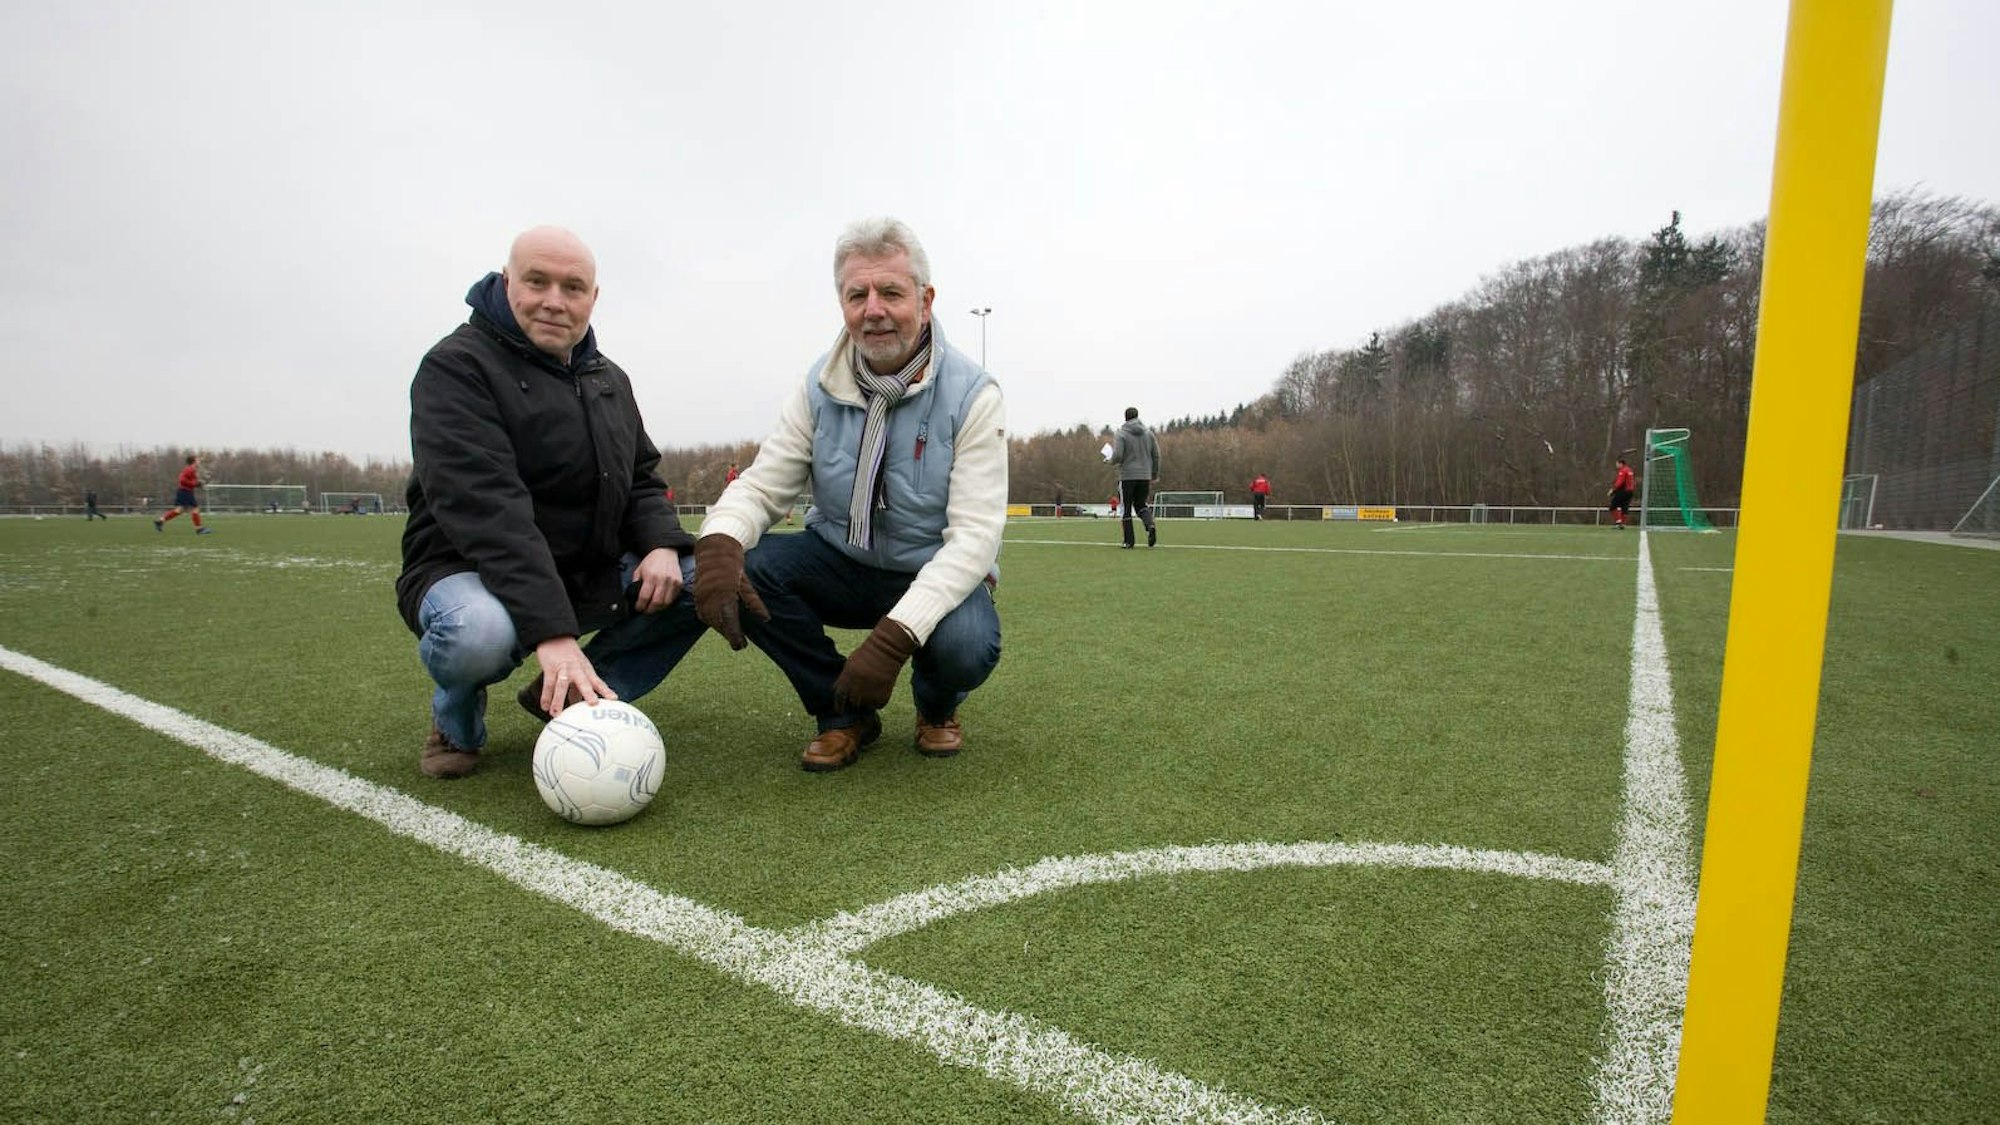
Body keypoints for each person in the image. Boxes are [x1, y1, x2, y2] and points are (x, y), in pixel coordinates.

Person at [693, 217, 1005, 772]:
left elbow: (975, 539)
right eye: (856, 294)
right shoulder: (818, 385)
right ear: (842, 303)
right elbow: (765, 484)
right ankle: (841, 713)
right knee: (752, 570)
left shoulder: (974, 395)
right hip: (840, 558)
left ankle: (935, 704)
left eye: (891, 292)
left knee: (965, 645)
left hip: (928, 568)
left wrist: (891, 643)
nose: (873, 309)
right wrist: (718, 541)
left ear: (926, 300)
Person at [395, 226, 707, 779]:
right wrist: (553, 632)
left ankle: (568, 698)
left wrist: (660, 542)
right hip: (468, 568)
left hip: (582, 564)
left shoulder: (609, 378)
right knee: (478, 635)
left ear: (593, 297)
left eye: (573, 287)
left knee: (703, 578)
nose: (554, 301)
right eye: (537, 282)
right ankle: (456, 720)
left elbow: (639, 475)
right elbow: (490, 511)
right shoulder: (455, 367)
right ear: (508, 281)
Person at [1110, 407, 1160, 548]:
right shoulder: (1149, 434)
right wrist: (1154, 474)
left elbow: (1118, 455)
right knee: (1141, 505)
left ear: (1125, 417)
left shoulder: (1121, 434)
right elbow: (1156, 455)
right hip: (1144, 476)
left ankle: (1129, 541)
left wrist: (1110, 460)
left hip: (1127, 476)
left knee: (1125, 508)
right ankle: (1150, 525)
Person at [154, 455, 213, 535]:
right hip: (185, 492)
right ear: (194, 461)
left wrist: (198, 484)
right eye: (197, 460)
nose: (199, 461)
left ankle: (160, 521)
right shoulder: (190, 469)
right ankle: (199, 529)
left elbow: (191, 481)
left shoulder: (191, 469)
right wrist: (195, 484)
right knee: (195, 509)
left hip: (184, 491)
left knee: (179, 510)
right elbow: (182, 480)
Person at [1607, 456, 1636, 528]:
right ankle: (1622, 524)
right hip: (1630, 491)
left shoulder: (1623, 471)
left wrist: (1613, 490)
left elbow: (1620, 482)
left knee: (1612, 507)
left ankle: (1618, 522)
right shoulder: (1629, 470)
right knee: (1624, 507)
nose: (1616, 465)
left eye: (1617, 464)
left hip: (1624, 491)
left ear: (1621, 464)